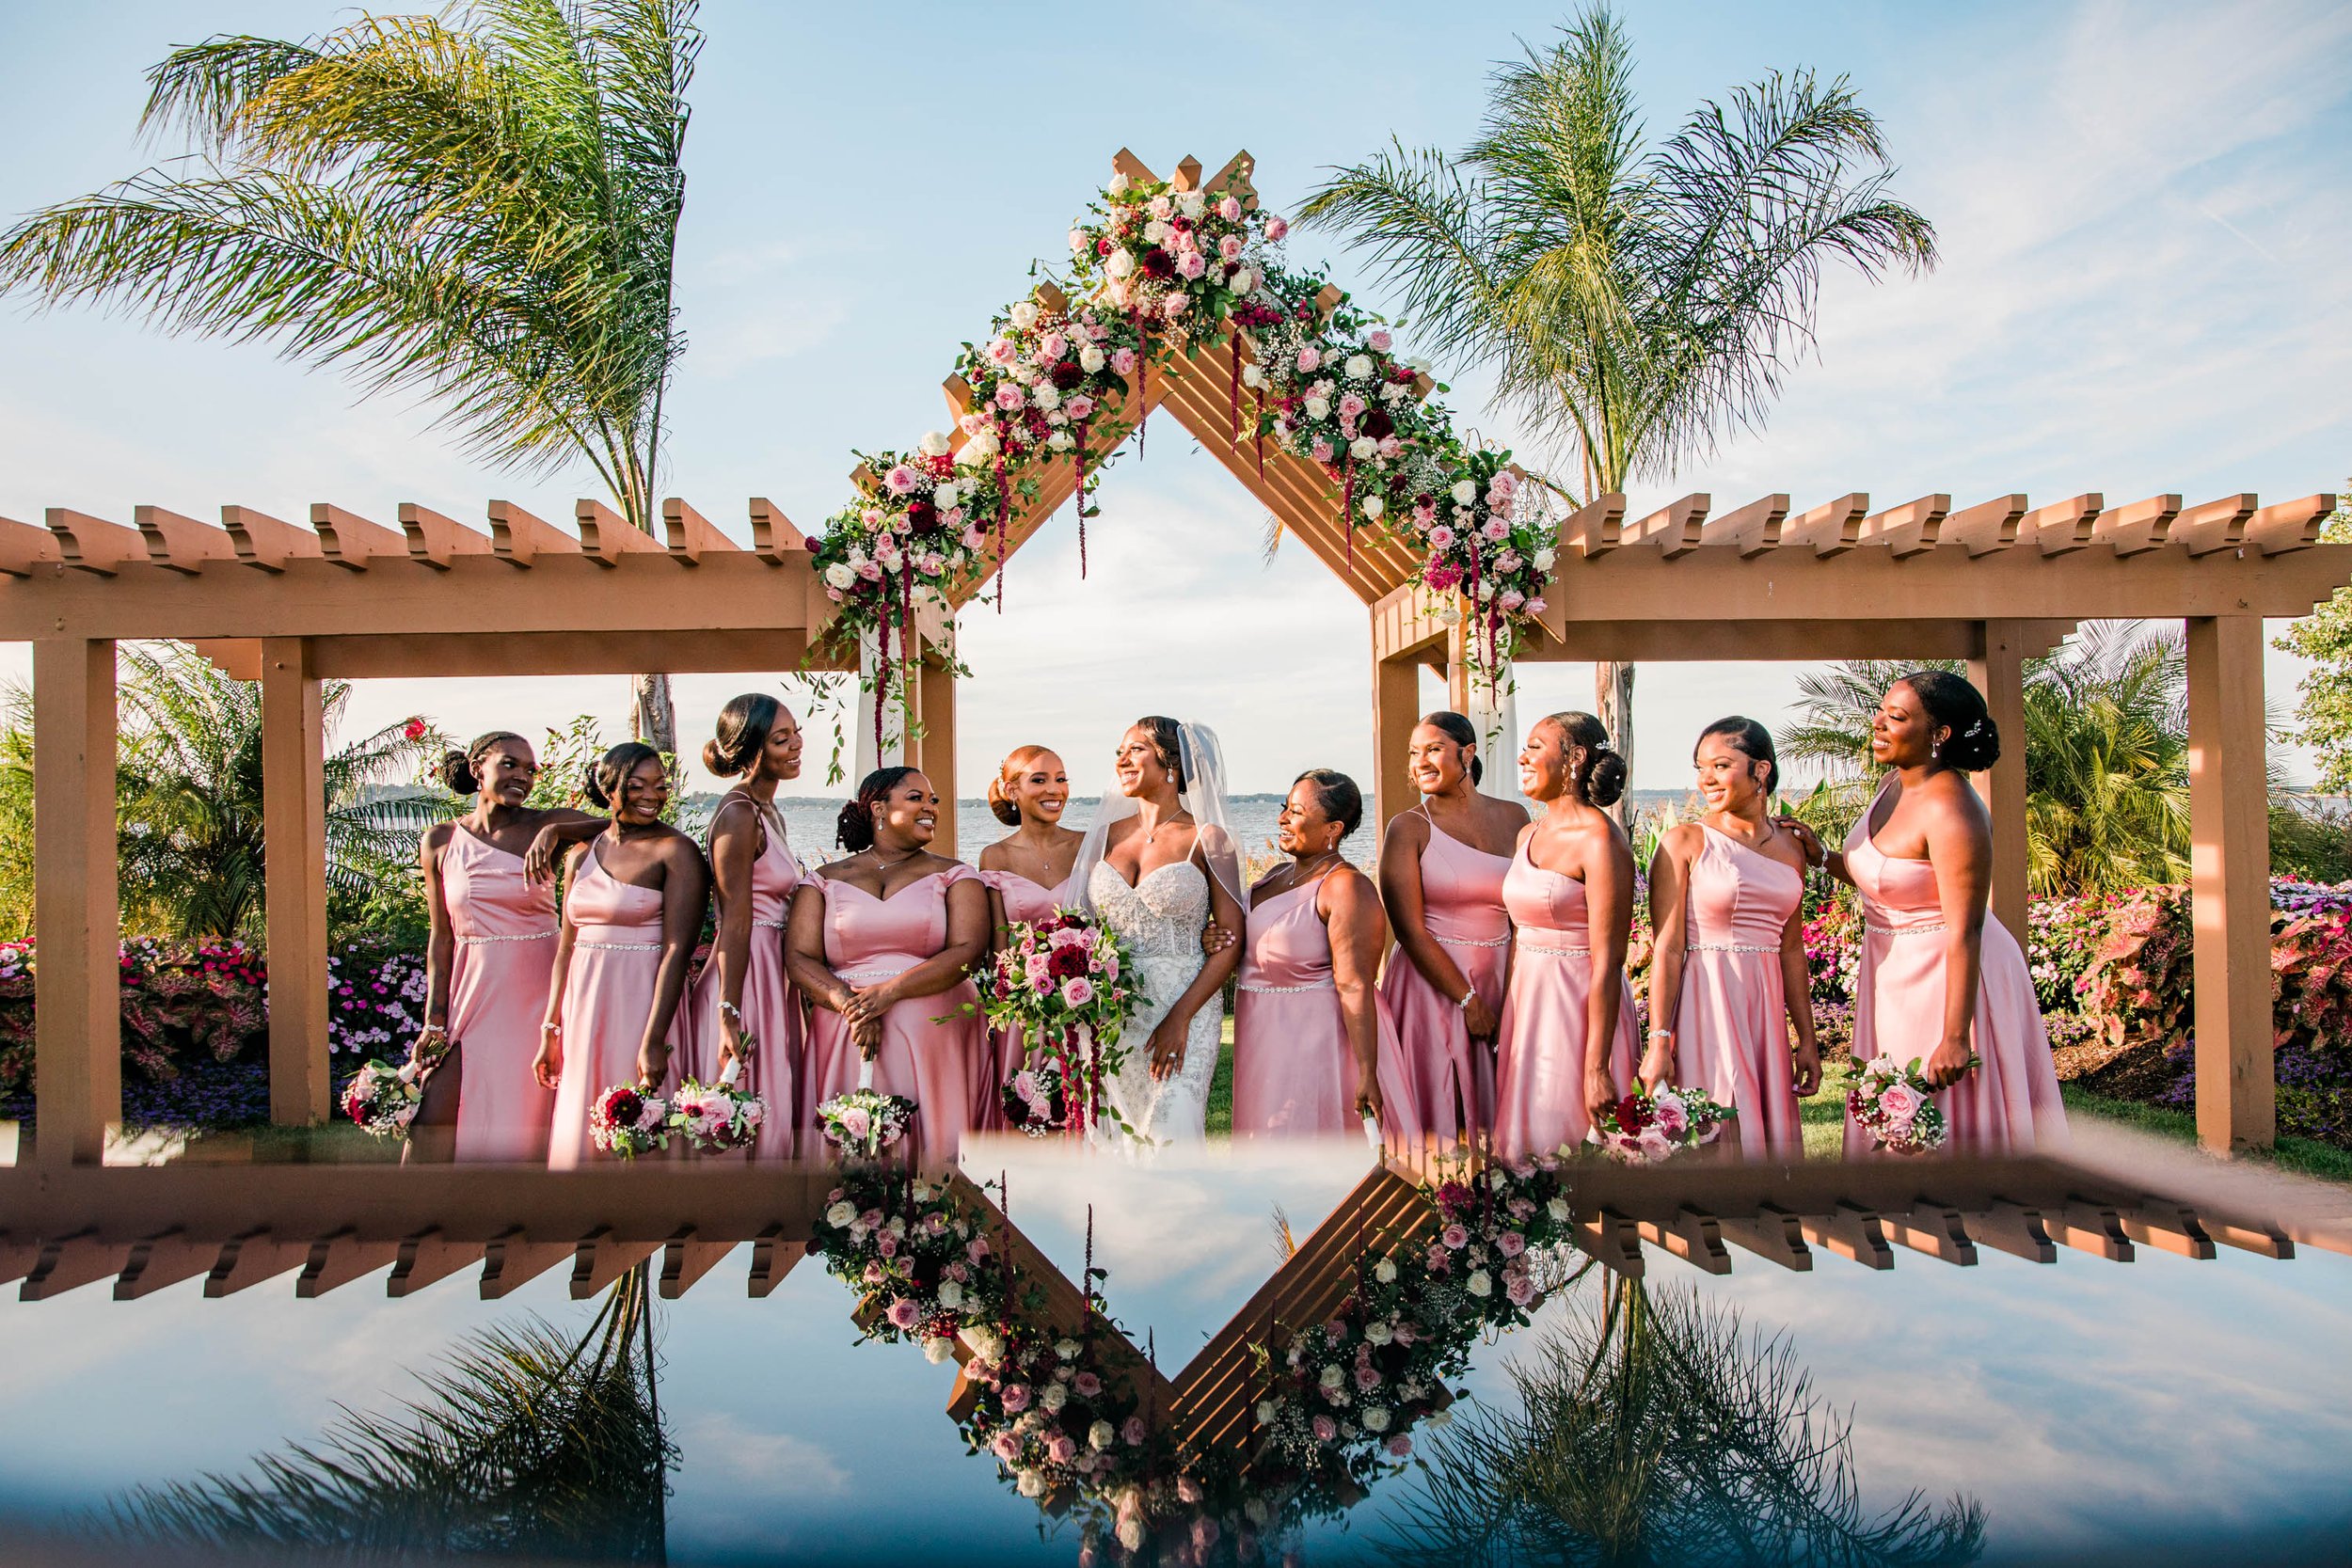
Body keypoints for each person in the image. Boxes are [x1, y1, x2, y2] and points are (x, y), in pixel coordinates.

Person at [1786, 672, 2066, 1153]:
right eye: (1881, 711)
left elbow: (1966, 929)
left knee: (1940, 1117)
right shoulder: (1894, 783)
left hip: (1949, 978)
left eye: (1896, 717)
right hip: (1895, 974)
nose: (1877, 723)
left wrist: (1956, 1036)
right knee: (1894, 1111)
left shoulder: (1953, 810)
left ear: (1940, 735)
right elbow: (1894, 881)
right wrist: (1824, 858)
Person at [407, 731, 598, 1163]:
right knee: (431, 1114)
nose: (523, 777)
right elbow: (441, 936)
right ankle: (408, 1219)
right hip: (473, 990)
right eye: (510, 764)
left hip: (540, 987)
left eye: (530, 770)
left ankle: (515, 1213)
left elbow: (621, 824)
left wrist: (555, 830)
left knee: (530, 1108)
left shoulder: (543, 824)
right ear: (478, 769)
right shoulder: (440, 841)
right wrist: (434, 1021)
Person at [787, 768, 990, 1164]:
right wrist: (850, 1004)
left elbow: (968, 951)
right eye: (917, 798)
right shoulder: (823, 881)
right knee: (847, 1150)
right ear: (879, 809)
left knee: (936, 1155)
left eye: (933, 800)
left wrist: (889, 993)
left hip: (934, 1036)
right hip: (847, 1030)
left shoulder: (955, 875)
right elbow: (799, 957)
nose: (931, 807)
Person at [1638, 718, 1820, 1158]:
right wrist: (1659, 1040)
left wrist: (1807, 1040)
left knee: (1768, 1148)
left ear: (1760, 770)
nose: (1707, 779)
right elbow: (1668, 947)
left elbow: (1791, 950)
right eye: (1701, 767)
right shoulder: (1683, 841)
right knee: (1712, 1136)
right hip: (1707, 1002)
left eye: (1721, 765)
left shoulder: (1793, 848)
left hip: (1764, 1009)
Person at [1073, 717, 1246, 1144]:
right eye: (1119, 752)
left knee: (1172, 1130)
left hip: (1184, 1005)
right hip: (1113, 1014)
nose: (1122, 760)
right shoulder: (1103, 837)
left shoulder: (1208, 838)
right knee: (1114, 1140)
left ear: (1170, 762)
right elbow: (1083, 929)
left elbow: (1230, 940)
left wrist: (1180, 1018)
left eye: (1135, 749)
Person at [536, 744, 709, 1168]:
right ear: (608, 787)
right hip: (584, 1007)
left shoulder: (677, 851)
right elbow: (565, 949)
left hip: (642, 1003)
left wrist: (653, 1040)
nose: (653, 795)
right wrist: (550, 1028)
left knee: (640, 1129)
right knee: (582, 1120)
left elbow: (677, 950)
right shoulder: (581, 855)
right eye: (637, 786)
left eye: (660, 786)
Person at [1232, 770, 1410, 1137]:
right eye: (1284, 807)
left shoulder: (1346, 887)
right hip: (1262, 1039)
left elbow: (1356, 985)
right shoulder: (1275, 876)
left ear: (1333, 828)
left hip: (1315, 1045)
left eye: (1295, 812)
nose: (1282, 818)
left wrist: (1366, 1071)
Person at [1492, 712, 1640, 1159]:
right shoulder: (1527, 835)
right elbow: (1518, 935)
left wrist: (1595, 1067)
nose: (1523, 756)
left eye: (1535, 746)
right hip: (1528, 1006)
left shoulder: (1600, 842)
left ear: (1574, 758)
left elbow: (1610, 960)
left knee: (1570, 1139)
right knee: (1523, 1143)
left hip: (1577, 1007)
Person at [1376, 711, 1525, 1142]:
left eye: (1433, 749)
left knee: (1497, 1110)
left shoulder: (1515, 818)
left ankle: (1501, 1202)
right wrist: (1467, 1000)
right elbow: (1408, 930)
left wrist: (1512, 990)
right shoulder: (1407, 828)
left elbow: (1523, 916)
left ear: (1468, 753)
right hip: (1433, 988)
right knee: (1441, 1112)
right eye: (1413, 753)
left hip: (1499, 977)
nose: (1419, 761)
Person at [682, 694, 804, 1157]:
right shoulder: (738, 813)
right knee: (740, 1108)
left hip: (776, 967)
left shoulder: (770, 811)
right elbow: (733, 917)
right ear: (752, 750)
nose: (795, 745)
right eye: (781, 738)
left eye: (795, 733)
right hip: (747, 972)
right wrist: (729, 1009)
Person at [972, 744, 1084, 1129]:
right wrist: (1012, 1001)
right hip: (1026, 1008)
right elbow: (997, 948)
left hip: (1088, 1005)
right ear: (1011, 790)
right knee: (1027, 1111)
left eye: (1061, 779)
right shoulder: (995, 856)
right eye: (1039, 780)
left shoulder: (1089, 846)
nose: (1055, 790)